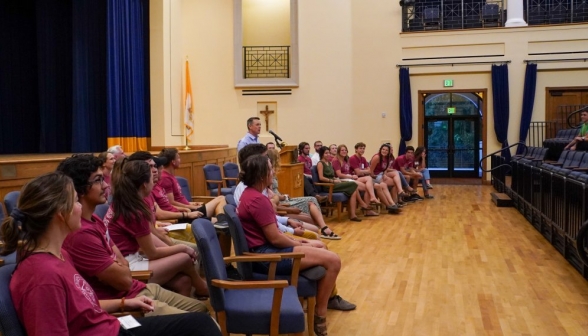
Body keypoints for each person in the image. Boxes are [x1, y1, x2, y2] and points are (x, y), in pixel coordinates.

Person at [0, 172, 221, 336]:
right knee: (201, 327)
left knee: (201, 322)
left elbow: (80, 304)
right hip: (107, 331)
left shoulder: (59, 255)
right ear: (61, 214)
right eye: (75, 201)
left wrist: (123, 304)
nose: (81, 206)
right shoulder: (42, 277)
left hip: (111, 324)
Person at [57, 154, 208, 315]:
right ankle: (200, 292)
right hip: (128, 297)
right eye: (99, 180)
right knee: (200, 315)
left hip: (135, 284)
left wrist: (121, 265)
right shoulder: (82, 234)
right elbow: (126, 278)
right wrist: (179, 247)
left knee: (190, 291)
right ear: (80, 189)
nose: (105, 186)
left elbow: (122, 260)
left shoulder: (94, 218)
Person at [235, 144, 356, 312]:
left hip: (266, 251)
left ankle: (320, 300)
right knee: (334, 260)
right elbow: (275, 238)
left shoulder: (251, 194)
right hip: (267, 259)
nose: (273, 173)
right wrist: (298, 244)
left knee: (321, 245)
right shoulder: (257, 200)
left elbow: (273, 233)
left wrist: (296, 241)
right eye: (270, 170)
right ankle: (320, 313)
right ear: (262, 175)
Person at [104, 159, 209, 298]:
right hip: (129, 266)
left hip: (128, 260)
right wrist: (181, 248)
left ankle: (185, 313)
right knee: (184, 257)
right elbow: (152, 253)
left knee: (184, 281)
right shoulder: (134, 211)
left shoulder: (125, 201)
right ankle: (202, 288)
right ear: (143, 184)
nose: (154, 181)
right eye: (151, 178)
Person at [268, 149, 341, 239]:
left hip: (283, 198)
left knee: (312, 199)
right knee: (311, 200)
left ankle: (322, 227)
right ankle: (322, 228)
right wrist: (281, 197)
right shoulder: (268, 174)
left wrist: (283, 195)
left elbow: (275, 191)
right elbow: (270, 195)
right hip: (281, 202)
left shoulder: (273, 172)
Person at [158, 148, 229, 229]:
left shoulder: (170, 176)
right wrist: (191, 207)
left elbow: (178, 198)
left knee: (221, 199)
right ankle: (222, 222)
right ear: (173, 161)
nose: (180, 160)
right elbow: (172, 202)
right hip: (186, 212)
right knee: (220, 201)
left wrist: (191, 204)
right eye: (178, 157)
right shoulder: (165, 178)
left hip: (187, 208)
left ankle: (222, 222)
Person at [350, 142, 401, 214]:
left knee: (383, 185)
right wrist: (365, 171)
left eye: (363, 148)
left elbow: (369, 170)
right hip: (359, 178)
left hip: (366, 177)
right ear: (356, 149)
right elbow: (359, 172)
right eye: (360, 148)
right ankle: (388, 206)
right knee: (377, 186)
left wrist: (364, 171)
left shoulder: (363, 158)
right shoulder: (353, 158)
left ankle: (391, 204)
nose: (362, 150)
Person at [316, 146, 362, 222]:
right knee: (353, 184)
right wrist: (332, 181)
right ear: (322, 154)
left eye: (329, 153)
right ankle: (361, 203)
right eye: (326, 153)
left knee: (353, 190)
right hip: (328, 186)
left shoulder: (329, 163)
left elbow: (332, 175)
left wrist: (336, 179)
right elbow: (321, 178)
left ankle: (353, 215)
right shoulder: (320, 163)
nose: (328, 155)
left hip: (334, 182)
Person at [332, 144, 380, 216]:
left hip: (350, 178)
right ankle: (364, 205)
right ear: (338, 151)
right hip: (342, 180)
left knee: (368, 179)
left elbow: (369, 171)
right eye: (342, 150)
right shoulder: (336, 160)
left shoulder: (346, 159)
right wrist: (351, 176)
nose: (344, 151)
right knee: (366, 187)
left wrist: (353, 175)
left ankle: (368, 207)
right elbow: (339, 175)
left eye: (345, 150)